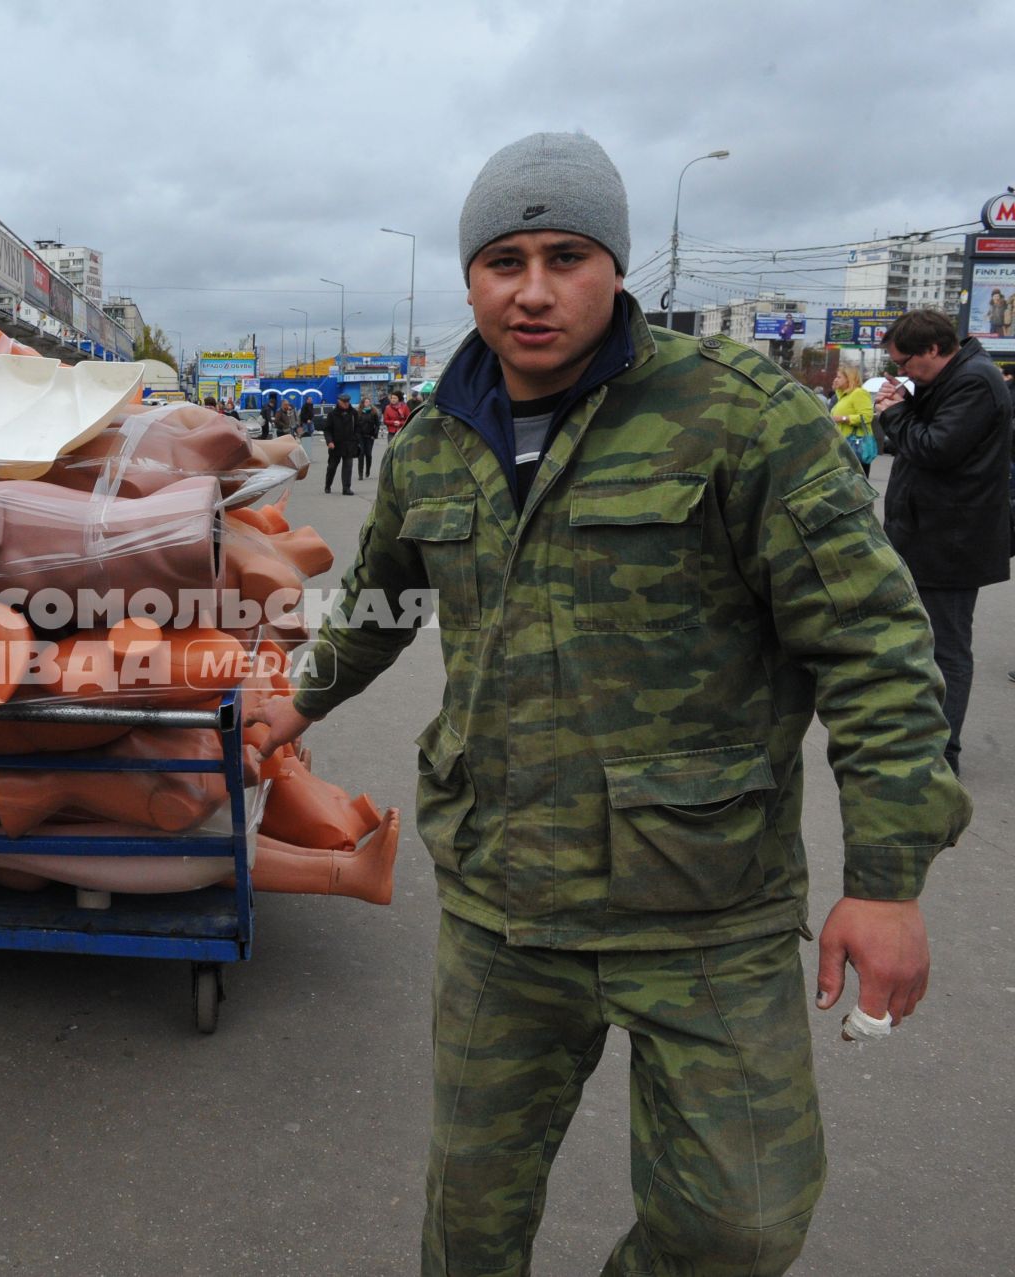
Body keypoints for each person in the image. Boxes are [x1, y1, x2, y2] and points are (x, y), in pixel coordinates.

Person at [255, 131, 966, 1276]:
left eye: (568, 255)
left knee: (741, 1224)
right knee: (472, 1222)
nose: (534, 290)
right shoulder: (433, 442)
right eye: (504, 260)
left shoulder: (742, 419)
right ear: (471, 275)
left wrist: (886, 878)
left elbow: (877, 647)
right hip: (505, 902)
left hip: (705, 907)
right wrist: (298, 704)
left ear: (616, 267)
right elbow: (378, 602)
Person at [874, 308, 1013, 777]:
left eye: (907, 363)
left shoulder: (974, 382)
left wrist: (895, 411)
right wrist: (902, 407)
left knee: (947, 650)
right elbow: (918, 440)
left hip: (951, 540)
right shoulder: (952, 378)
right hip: (929, 534)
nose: (903, 372)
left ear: (933, 349)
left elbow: (935, 448)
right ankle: (921, 738)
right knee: (921, 643)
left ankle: (942, 752)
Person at [827, 363, 877, 475]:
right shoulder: (843, 396)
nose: (836, 379)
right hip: (843, 444)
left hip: (856, 444)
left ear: (849, 378)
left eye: (839, 377)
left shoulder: (859, 393)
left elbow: (867, 417)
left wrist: (844, 418)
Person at [321, 392, 358, 494]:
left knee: (348, 467)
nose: (346, 404)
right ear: (339, 402)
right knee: (332, 467)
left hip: (349, 445)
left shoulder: (353, 413)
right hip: (335, 446)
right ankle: (328, 485)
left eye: (347, 402)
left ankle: (346, 488)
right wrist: (329, 441)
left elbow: (358, 428)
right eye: (344, 402)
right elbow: (327, 430)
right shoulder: (332, 414)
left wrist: (356, 440)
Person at [356, 395, 379, 480]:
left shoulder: (373, 412)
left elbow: (377, 424)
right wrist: (356, 436)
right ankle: (360, 474)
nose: (367, 403)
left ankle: (367, 470)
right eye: (366, 402)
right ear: (363, 403)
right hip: (360, 436)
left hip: (370, 436)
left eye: (369, 402)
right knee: (361, 454)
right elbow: (355, 425)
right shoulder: (358, 412)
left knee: (368, 454)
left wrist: (375, 435)